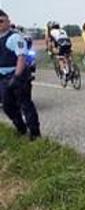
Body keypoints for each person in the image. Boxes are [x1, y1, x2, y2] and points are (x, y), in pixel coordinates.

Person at [0, 9, 41, 140]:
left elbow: (21, 57)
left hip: (17, 75)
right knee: (7, 106)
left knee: (25, 104)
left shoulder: (14, 37)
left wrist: (17, 76)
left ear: (8, 22)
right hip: (2, 77)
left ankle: (35, 133)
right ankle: (21, 128)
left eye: (1, 21)